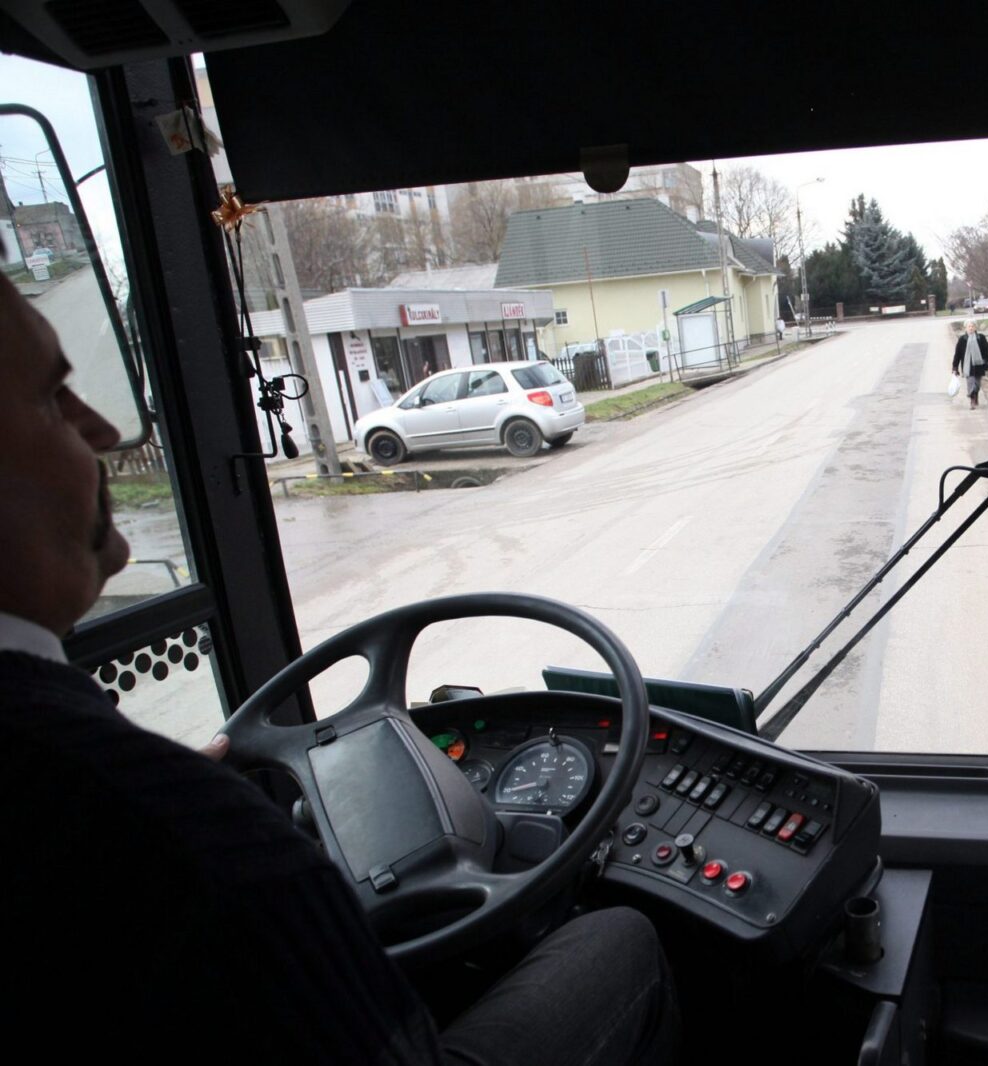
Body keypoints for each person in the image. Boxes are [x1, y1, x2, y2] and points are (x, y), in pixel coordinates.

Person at [0, 270, 678, 1064]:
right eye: (52, 399)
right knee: (621, 937)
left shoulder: (107, 801)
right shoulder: (192, 843)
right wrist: (204, 808)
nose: (105, 432)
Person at [953, 318, 988, 410]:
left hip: (979, 365)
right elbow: (957, 354)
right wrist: (955, 367)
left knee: (977, 384)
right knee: (970, 383)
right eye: (969, 326)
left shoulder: (981, 338)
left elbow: (986, 351)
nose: (971, 328)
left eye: (972, 326)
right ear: (965, 328)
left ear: (975, 327)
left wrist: (986, 361)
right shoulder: (962, 339)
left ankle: (975, 395)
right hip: (967, 366)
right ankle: (972, 401)